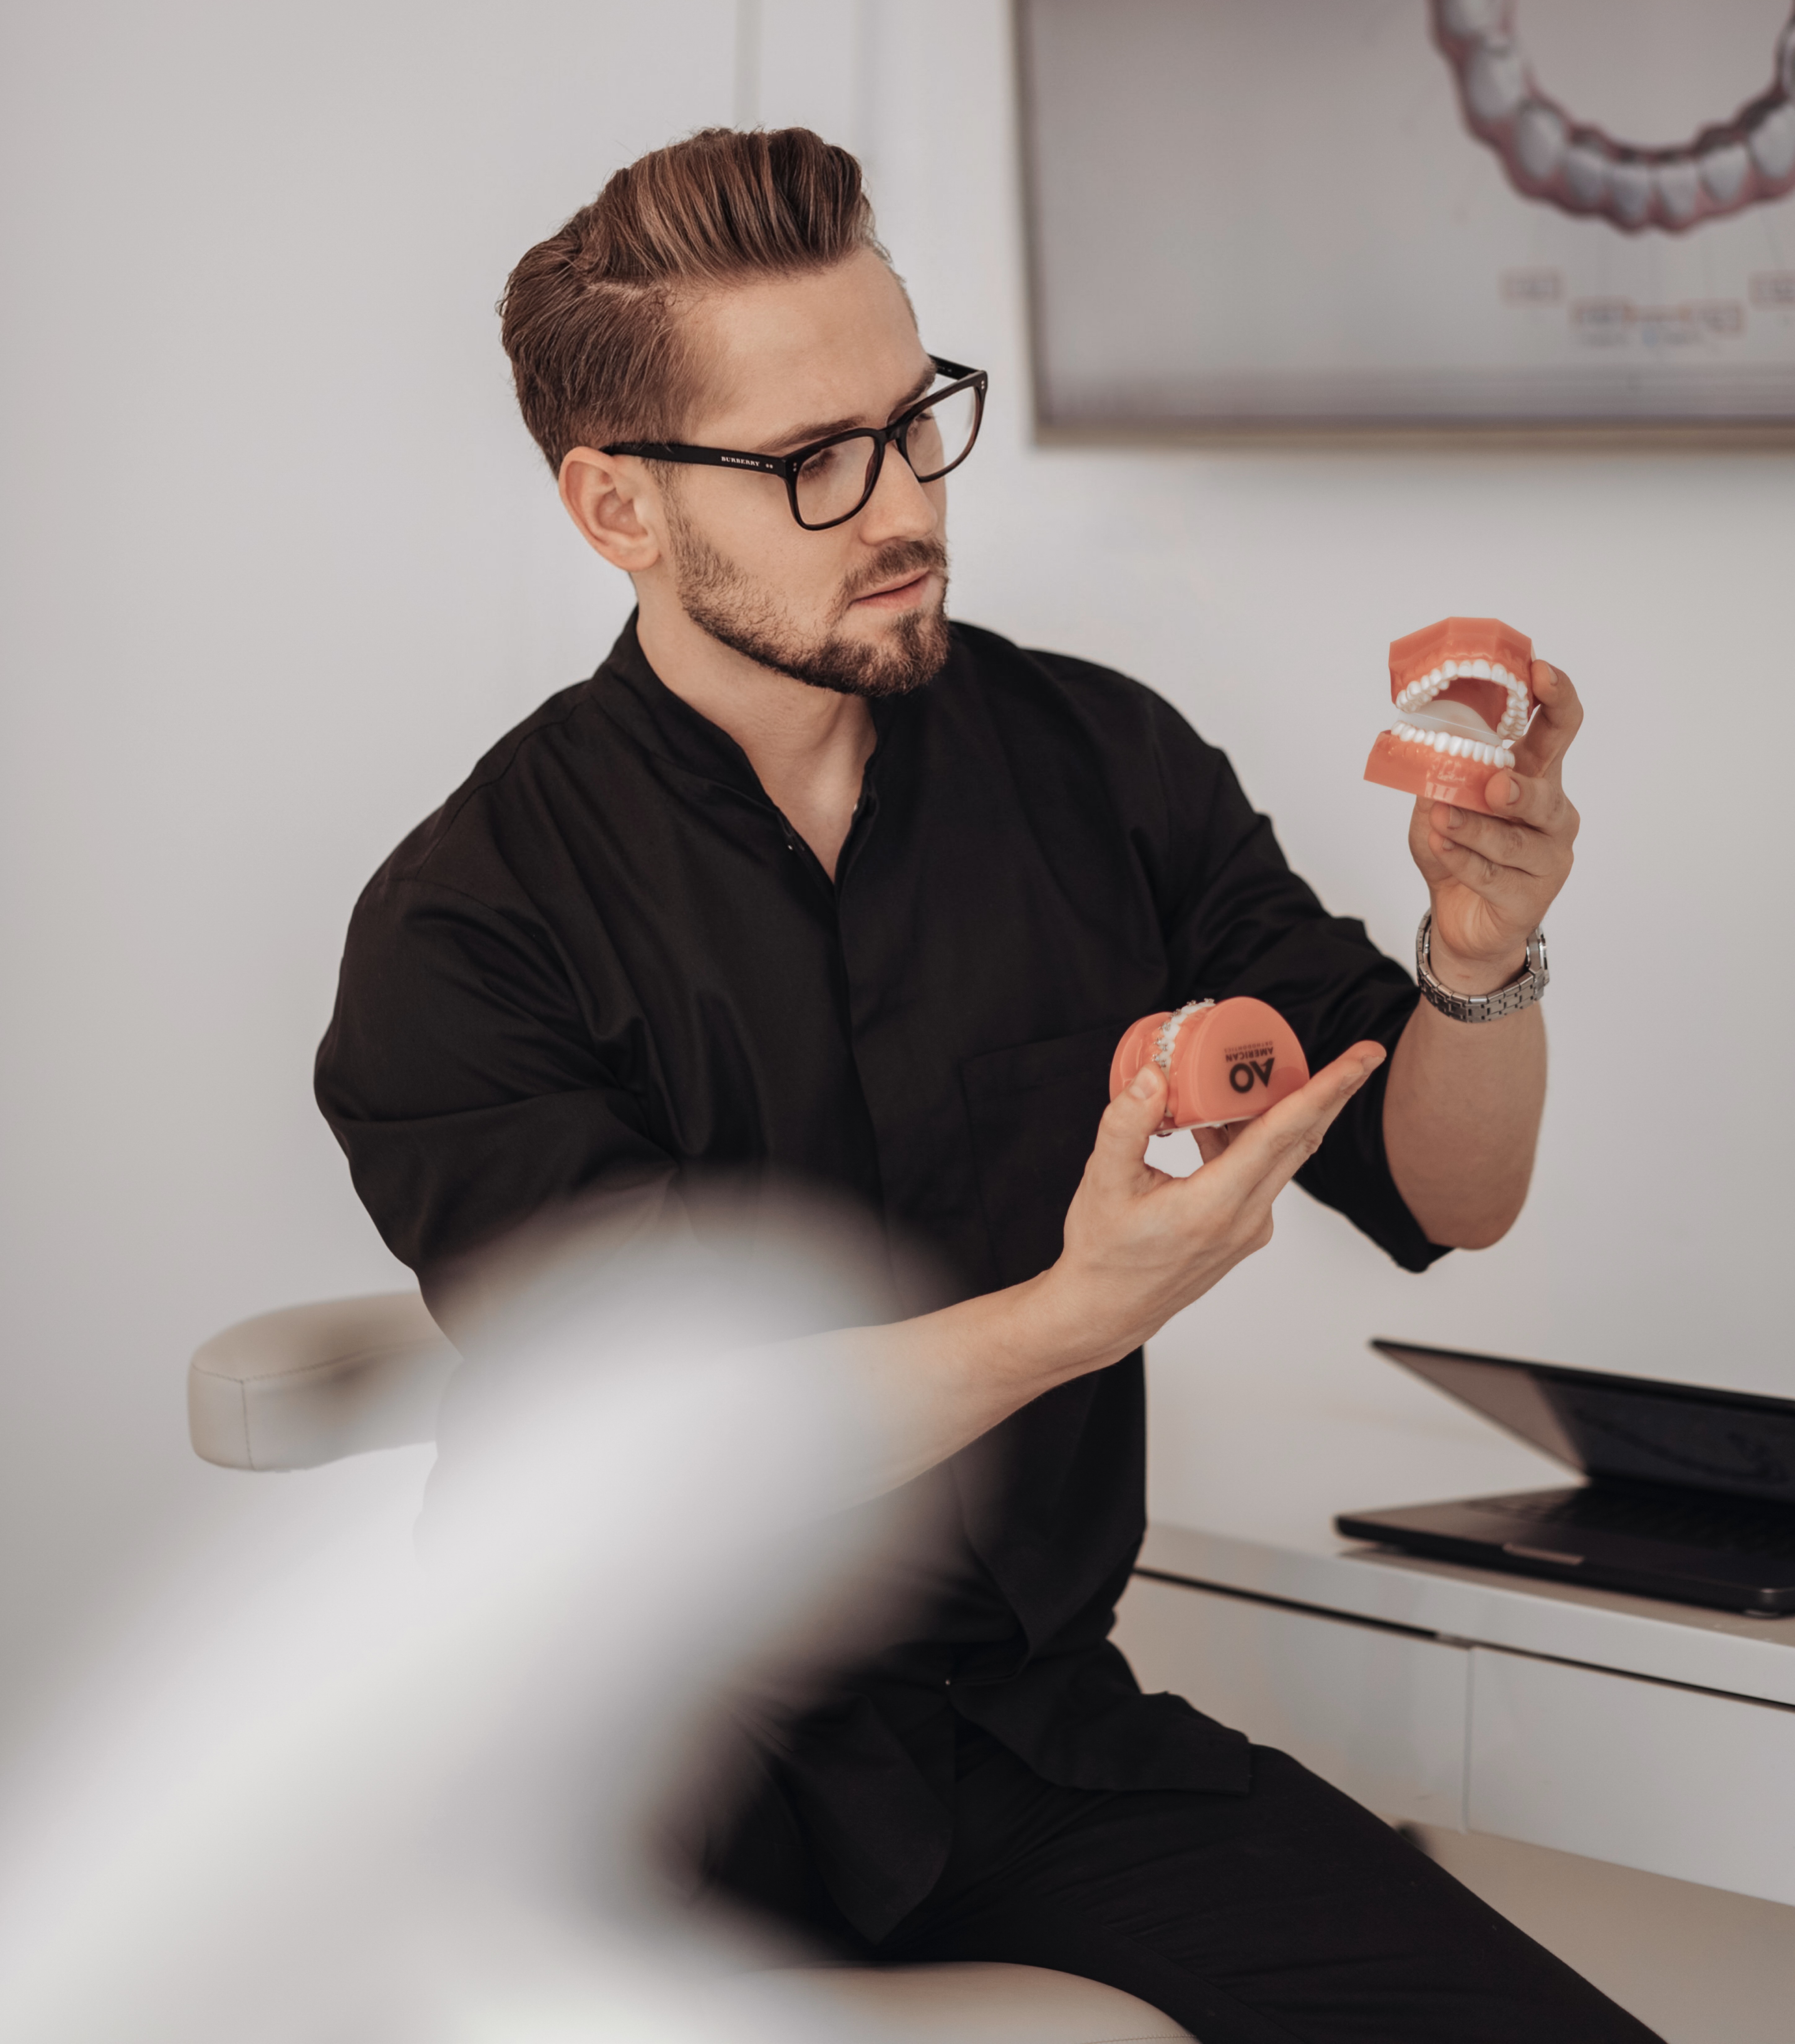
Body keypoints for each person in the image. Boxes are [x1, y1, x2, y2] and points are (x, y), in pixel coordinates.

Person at [316, 127, 1647, 2044]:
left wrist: (1479, 959)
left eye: (915, 417)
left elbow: (1444, 1188)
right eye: (809, 463)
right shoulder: (467, 927)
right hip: (612, 1773)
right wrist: (1079, 1312)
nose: (904, 506)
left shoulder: (1099, 763)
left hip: (1021, 1741)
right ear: (615, 508)